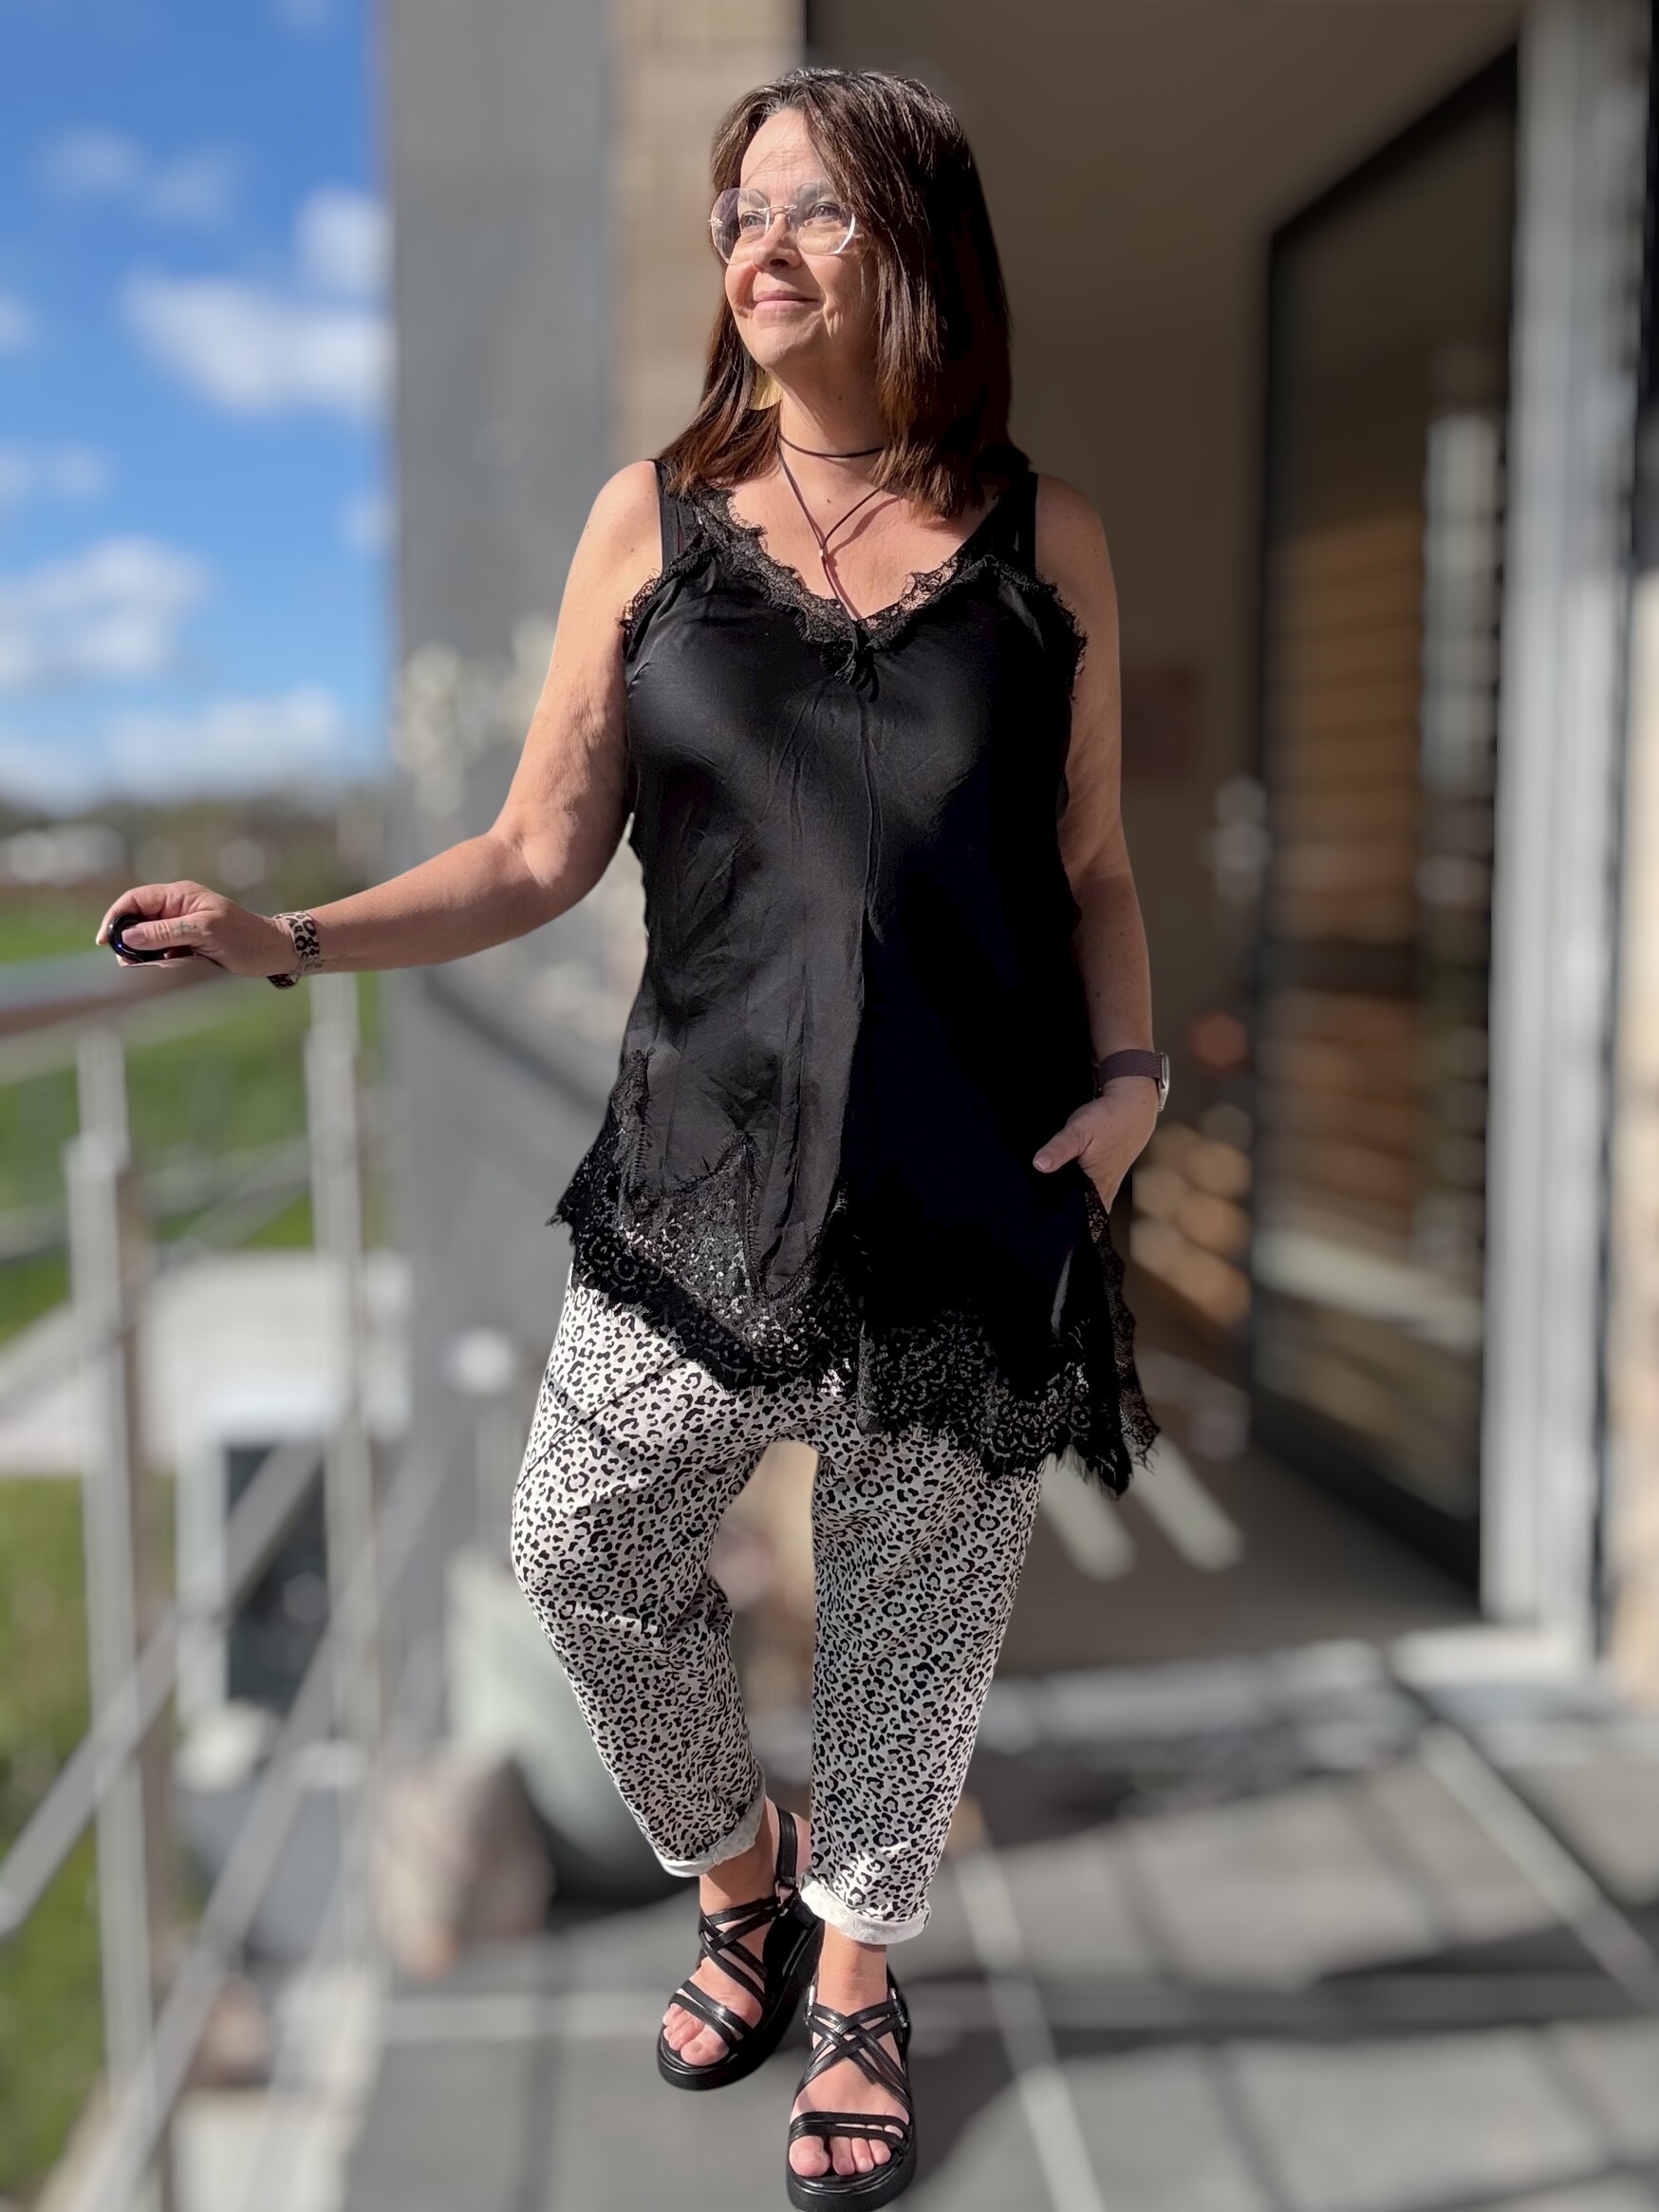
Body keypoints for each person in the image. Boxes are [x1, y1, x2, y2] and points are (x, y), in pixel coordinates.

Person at [98, 66, 1161, 2209]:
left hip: (973, 1189)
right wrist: (289, 936)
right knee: (579, 1541)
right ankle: (738, 1869)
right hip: (701, 1180)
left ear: (918, 240)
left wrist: (1130, 1085)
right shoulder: (652, 522)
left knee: (910, 1628)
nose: (759, 241)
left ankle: (852, 1985)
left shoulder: (1047, 544)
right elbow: (530, 848)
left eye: (814, 206)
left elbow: (1095, 869)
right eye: (736, 208)